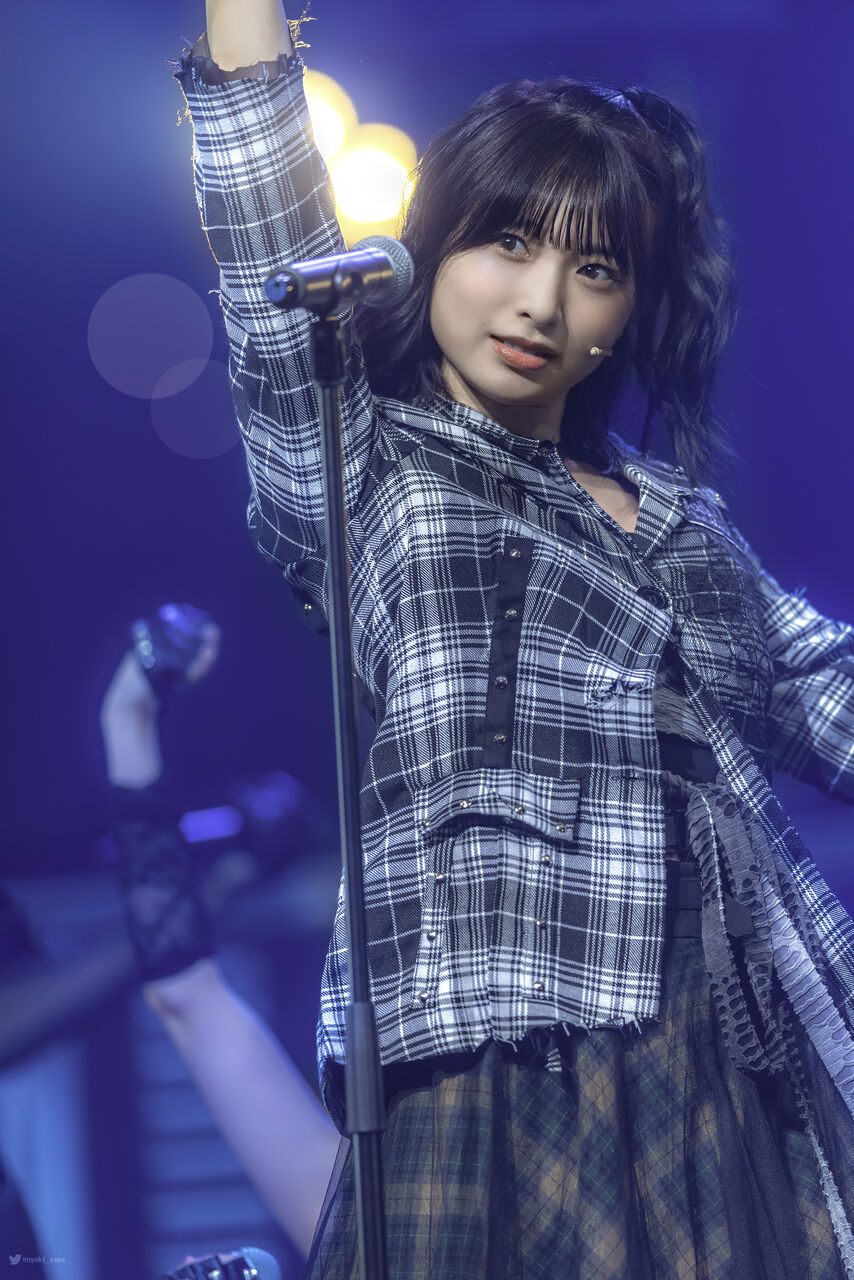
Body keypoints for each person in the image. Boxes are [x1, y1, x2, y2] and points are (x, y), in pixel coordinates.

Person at [173, 4, 854, 1276]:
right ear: (435, 240)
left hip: (725, 1042)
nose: (540, 300)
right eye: (507, 242)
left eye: (595, 269)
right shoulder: (364, 458)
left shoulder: (681, 520)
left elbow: (828, 691)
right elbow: (261, 208)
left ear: (626, 310)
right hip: (494, 1033)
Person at [101, 613, 340, 1261]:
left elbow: (187, 995)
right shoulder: (381, 1220)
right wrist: (128, 721)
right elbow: (186, 994)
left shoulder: (380, 1225)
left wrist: (128, 722)